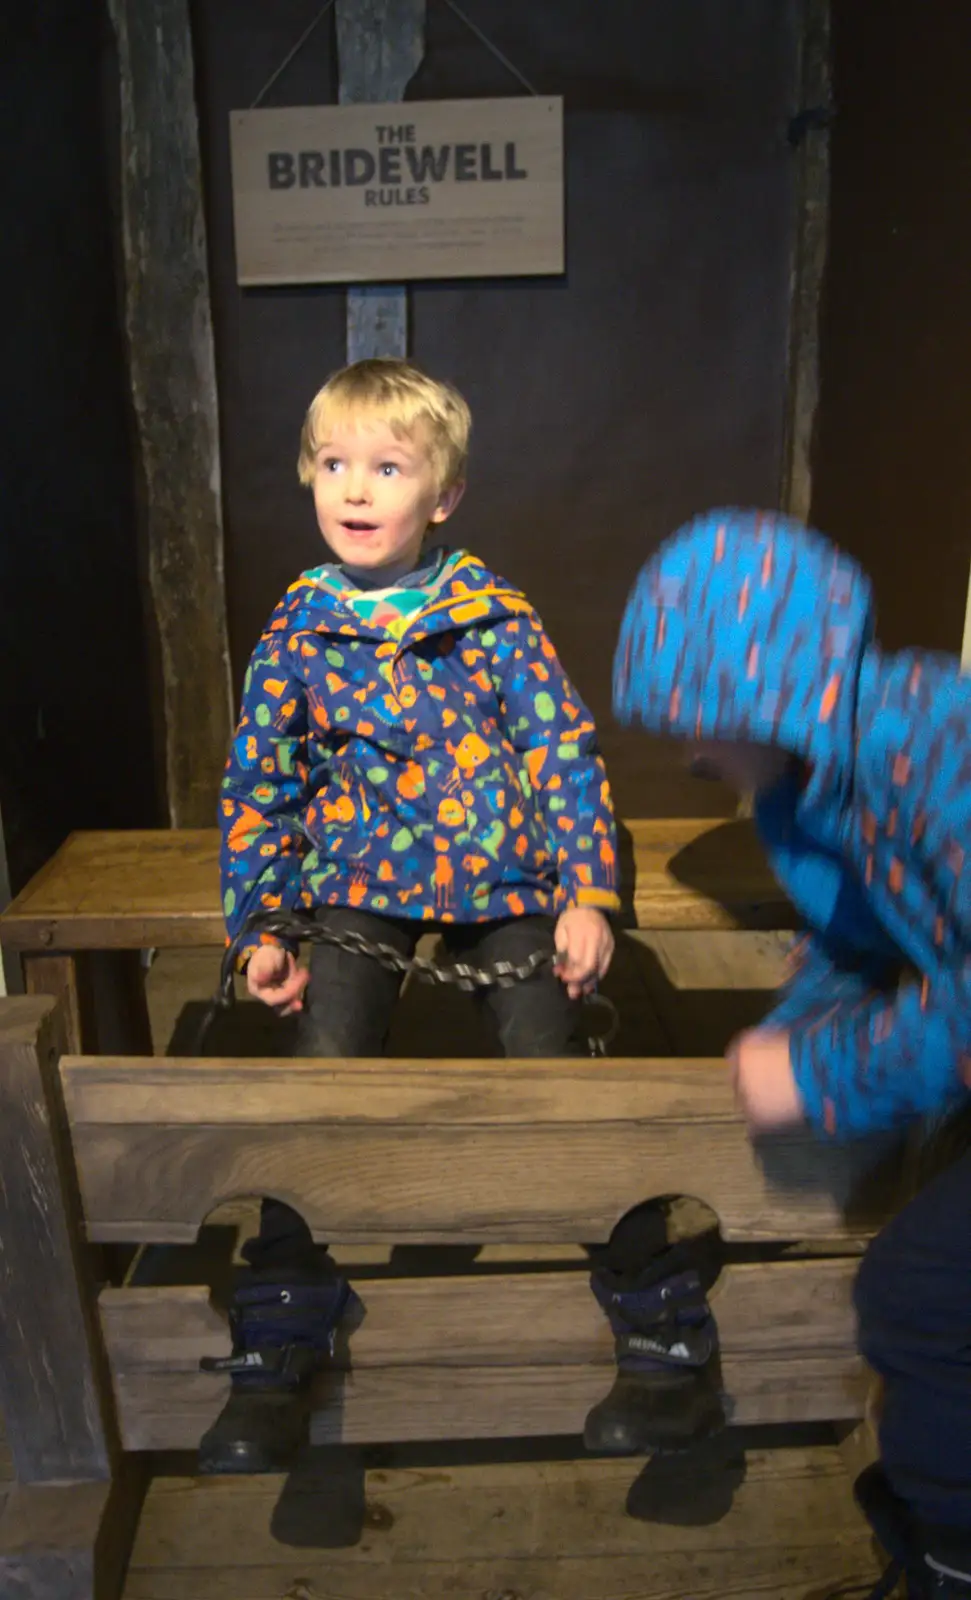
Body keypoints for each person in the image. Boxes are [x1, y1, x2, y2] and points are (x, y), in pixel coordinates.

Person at [202, 357, 621, 1473]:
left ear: (439, 496)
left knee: (547, 1042)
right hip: (358, 876)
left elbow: (559, 750)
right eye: (333, 464)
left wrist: (586, 892)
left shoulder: (491, 617)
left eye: (385, 467)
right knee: (326, 1054)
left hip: (500, 868)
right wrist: (262, 927)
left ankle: (642, 1311)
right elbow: (263, 783)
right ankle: (285, 1318)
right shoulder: (299, 626)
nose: (353, 488)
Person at [613, 506, 971, 1597]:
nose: (688, 748)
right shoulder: (803, 785)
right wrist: (793, 1029)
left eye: (698, 715)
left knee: (915, 1298)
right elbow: (861, 933)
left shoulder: (930, 745)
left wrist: (820, 1075)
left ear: (764, 694)